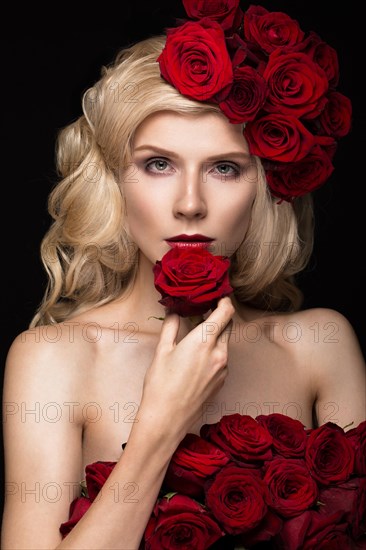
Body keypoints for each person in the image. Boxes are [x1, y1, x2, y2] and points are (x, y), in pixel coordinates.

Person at [2, 1, 365, 548]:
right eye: (158, 164)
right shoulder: (54, 359)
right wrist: (160, 424)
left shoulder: (317, 346)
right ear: (115, 183)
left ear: (263, 189)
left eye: (224, 168)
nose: (190, 204)